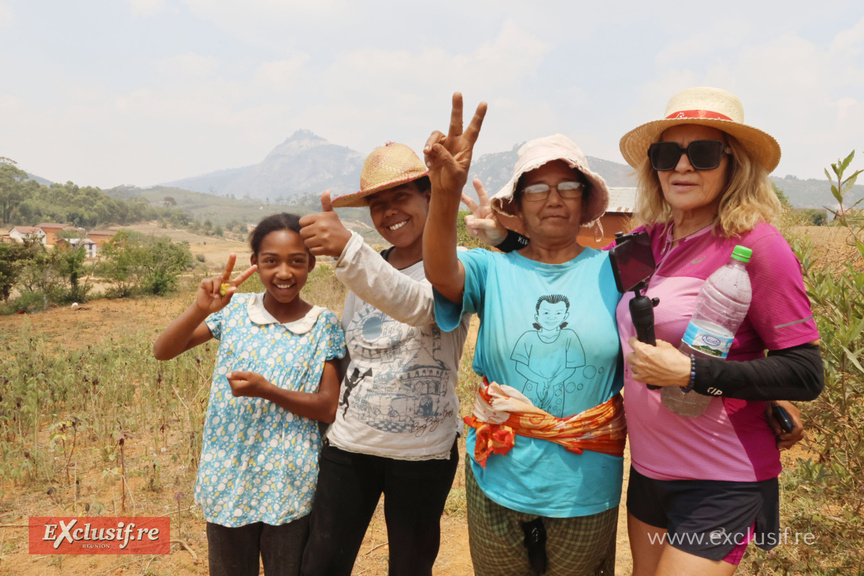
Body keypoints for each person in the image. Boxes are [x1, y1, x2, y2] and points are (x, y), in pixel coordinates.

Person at [616, 86, 824, 575]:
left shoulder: (757, 245)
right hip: (648, 471)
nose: (682, 167)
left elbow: (805, 371)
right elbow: (582, 277)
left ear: (734, 164)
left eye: (703, 153)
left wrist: (692, 371)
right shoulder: (649, 240)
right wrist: (507, 236)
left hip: (720, 477)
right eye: (668, 154)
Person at [423, 93, 626, 575]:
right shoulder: (490, 270)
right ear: (517, 204)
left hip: (586, 479)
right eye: (537, 189)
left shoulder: (617, 273)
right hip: (498, 471)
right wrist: (445, 192)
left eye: (567, 186)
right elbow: (440, 271)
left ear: (584, 199)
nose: (553, 198)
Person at [297, 142, 470, 576]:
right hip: (351, 444)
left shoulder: (457, 266)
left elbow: (419, 305)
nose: (390, 212)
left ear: (429, 195)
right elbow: (353, 346)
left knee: (410, 568)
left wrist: (348, 250)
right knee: (320, 564)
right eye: (378, 204)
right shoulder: (368, 268)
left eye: (401, 198)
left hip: (423, 453)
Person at [153, 213, 345, 576]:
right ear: (255, 264)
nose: (284, 273)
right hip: (228, 476)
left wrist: (267, 391)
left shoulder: (324, 324)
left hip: (289, 481)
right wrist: (200, 308)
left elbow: (327, 407)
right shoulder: (235, 311)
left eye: (296, 262)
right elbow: (163, 350)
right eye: (271, 261)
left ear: (311, 265)